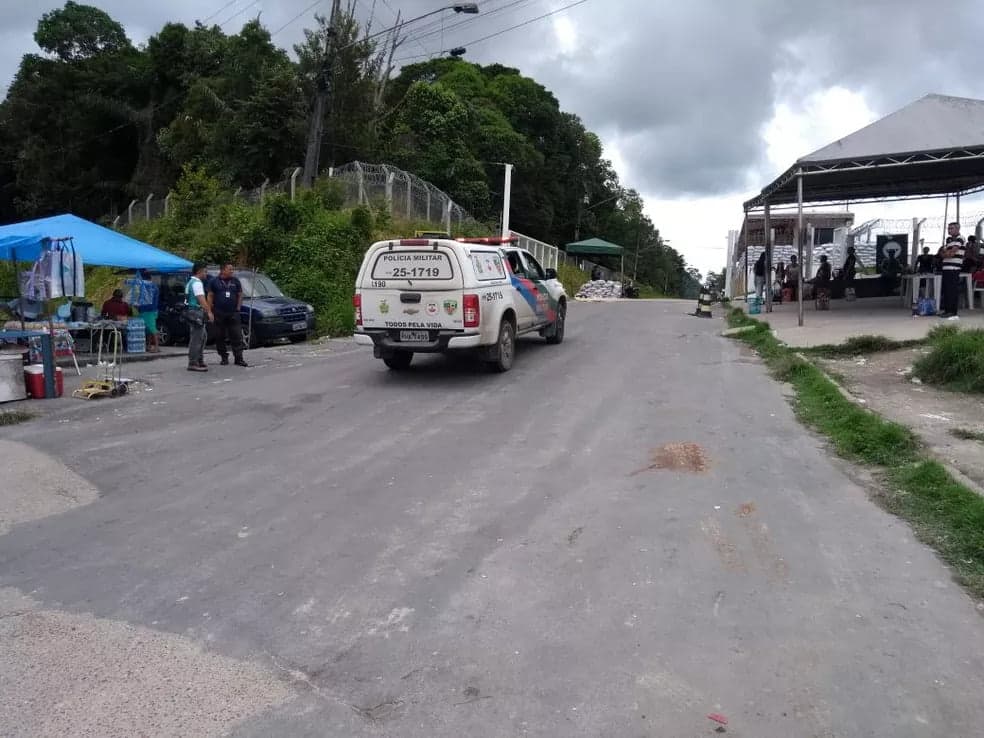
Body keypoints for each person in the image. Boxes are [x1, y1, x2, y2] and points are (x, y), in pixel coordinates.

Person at [207, 263, 248, 367]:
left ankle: (239, 358)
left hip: (233, 313)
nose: (232, 271)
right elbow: (210, 295)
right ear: (223, 270)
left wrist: (238, 307)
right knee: (219, 336)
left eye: (232, 269)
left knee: (237, 335)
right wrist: (210, 310)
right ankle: (223, 357)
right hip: (219, 313)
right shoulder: (214, 282)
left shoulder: (235, 281)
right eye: (229, 269)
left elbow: (240, 294)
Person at [185, 262, 213, 372]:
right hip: (196, 311)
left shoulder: (191, 282)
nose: (206, 274)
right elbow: (201, 300)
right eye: (205, 271)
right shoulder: (197, 283)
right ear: (199, 271)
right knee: (197, 337)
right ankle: (193, 362)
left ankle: (199, 359)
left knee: (203, 336)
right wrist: (209, 312)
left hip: (192, 311)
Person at [130, 270, 160, 353]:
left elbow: (146, 300)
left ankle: (156, 347)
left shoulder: (150, 287)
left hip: (148, 311)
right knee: (149, 330)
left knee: (152, 329)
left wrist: (137, 305)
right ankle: (149, 345)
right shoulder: (151, 286)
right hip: (149, 310)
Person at [939, 222, 965, 319]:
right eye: (948, 228)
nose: (949, 230)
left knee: (952, 290)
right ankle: (947, 310)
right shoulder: (949, 240)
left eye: (951, 228)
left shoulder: (960, 238)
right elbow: (941, 254)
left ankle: (952, 312)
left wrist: (946, 253)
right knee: (946, 290)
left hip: (954, 268)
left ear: (958, 229)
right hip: (946, 268)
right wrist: (945, 253)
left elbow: (952, 253)